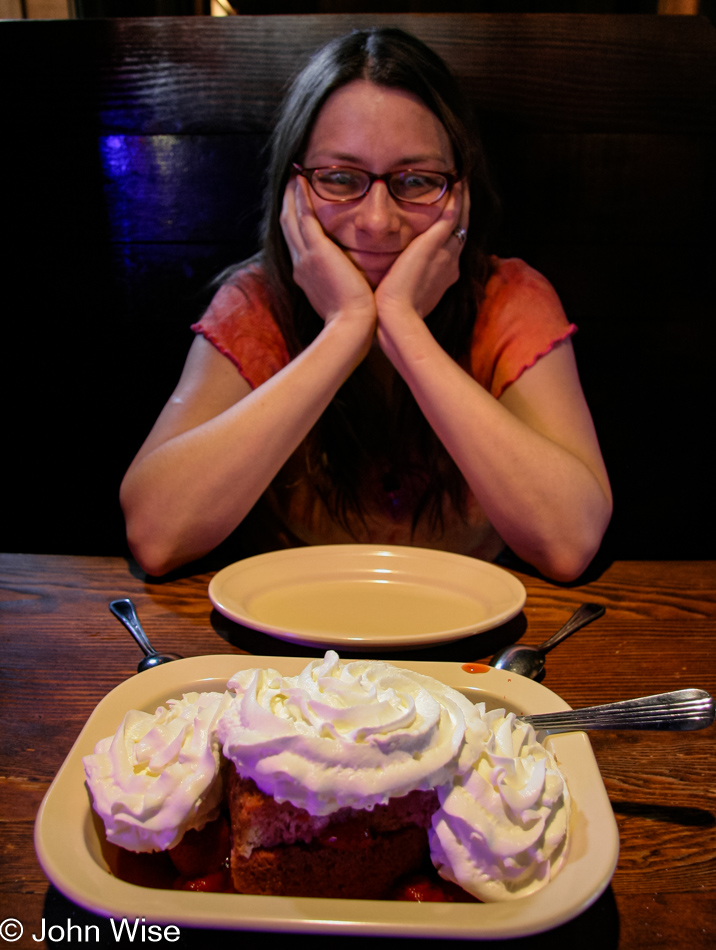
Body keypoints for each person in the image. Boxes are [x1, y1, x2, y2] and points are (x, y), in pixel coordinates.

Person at [120, 27, 612, 581]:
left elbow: (570, 542)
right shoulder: (256, 303)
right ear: (293, 189)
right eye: (339, 178)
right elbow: (156, 536)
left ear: (462, 192)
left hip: (467, 648)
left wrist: (403, 328)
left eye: (417, 181)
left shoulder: (507, 299)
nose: (377, 222)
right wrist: (346, 329)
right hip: (291, 647)